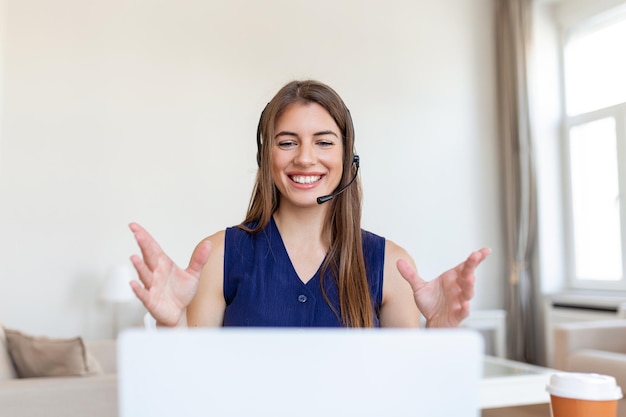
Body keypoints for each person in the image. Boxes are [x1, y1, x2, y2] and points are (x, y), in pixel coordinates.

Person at [129, 79, 491, 329]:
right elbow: (193, 388)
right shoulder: (218, 256)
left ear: (349, 157)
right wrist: (172, 323)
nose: (305, 158)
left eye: (323, 142)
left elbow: (405, 396)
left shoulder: (392, 267)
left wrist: (439, 338)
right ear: (265, 156)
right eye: (287, 142)